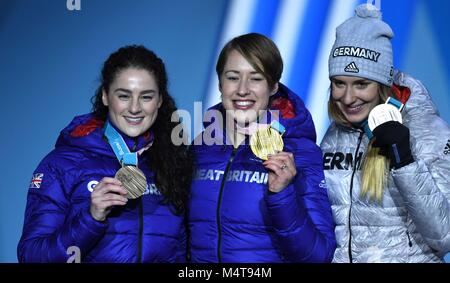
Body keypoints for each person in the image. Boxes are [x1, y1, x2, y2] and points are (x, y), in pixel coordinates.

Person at [18, 45, 193, 262]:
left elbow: (182, 255)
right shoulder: (62, 165)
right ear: (105, 96)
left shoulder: (172, 164)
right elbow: (32, 256)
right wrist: (91, 218)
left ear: (159, 101)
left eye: (146, 97)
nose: (135, 108)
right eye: (124, 96)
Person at [188, 33, 336, 263]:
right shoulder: (200, 148)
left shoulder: (301, 152)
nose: (243, 90)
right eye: (233, 77)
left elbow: (318, 256)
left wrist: (283, 195)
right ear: (219, 83)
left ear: (273, 85)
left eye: (255, 78)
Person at [321, 4, 450, 262]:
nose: (347, 98)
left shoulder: (428, 133)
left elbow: (444, 236)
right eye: (339, 83)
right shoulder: (335, 134)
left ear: (383, 83)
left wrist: (405, 162)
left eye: (361, 84)